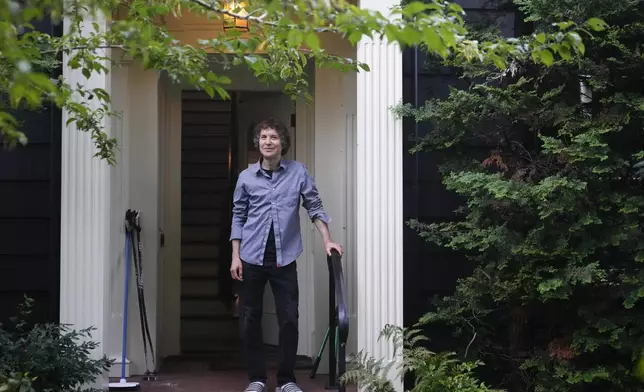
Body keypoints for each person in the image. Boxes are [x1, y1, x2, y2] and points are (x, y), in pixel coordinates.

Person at [230, 118, 343, 392]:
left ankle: (286, 380)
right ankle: (256, 379)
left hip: (284, 260)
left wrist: (328, 241)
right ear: (257, 143)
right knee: (250, 320)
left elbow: (314, 207)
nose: (268, 142)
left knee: (289, 319)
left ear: (283, 143)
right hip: (250, 258)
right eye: (263, 137)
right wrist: (235, 256)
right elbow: (238, 216)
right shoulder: (246, 177)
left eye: (274, 137)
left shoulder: (298, 173)